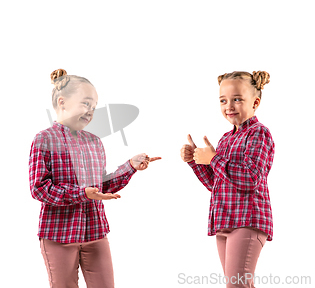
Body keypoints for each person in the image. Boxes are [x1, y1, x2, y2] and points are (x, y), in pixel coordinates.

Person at [29, 69, 161, 288]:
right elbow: (39, 189)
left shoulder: (94, 142)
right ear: (62, 102)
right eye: (86, 103)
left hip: (95, 231)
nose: (91, 111)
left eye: (94, 106)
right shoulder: (44, 140)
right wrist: (82, 193)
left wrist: (130, 166)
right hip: (59, 234)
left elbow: (102, 186)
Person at [180, 71, 275, 288]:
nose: (229, 106)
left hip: (248, 220)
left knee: (237, 285)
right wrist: (196, 160)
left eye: (237, 99)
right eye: (223, 100)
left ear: (255, 103)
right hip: (225, 221)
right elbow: (216, 184)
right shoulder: (225, 139)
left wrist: (213, 158)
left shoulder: (259, 134)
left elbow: (251, 178)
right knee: (238, 285)